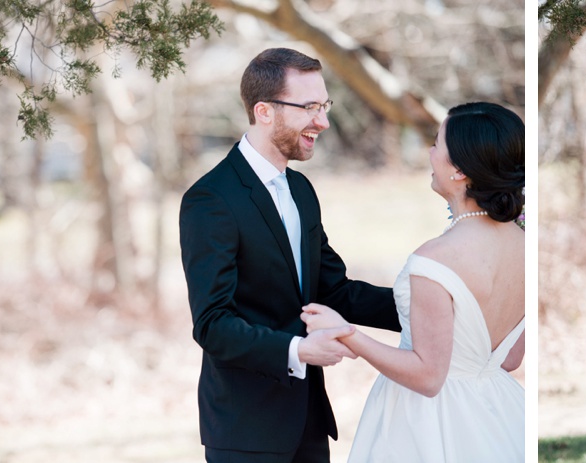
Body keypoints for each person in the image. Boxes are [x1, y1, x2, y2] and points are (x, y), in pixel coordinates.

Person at [178, 48, 402, 463]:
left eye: (325, 105)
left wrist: (425, 303)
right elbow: (212, 324)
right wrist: (297, 351)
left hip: (309, 424)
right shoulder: (210, 200)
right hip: (246, 430)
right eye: (310, 107)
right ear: (264, 111)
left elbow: (334, 291)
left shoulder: (301, 191)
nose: (324, 121)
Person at [301, 102, 526, 462]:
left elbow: (427, 378)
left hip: (426, 425)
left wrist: (347, 334)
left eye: (437, 143)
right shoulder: (524, 243)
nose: (430, 152)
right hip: (497, 417)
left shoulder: (435, 258)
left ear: (460, 171)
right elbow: (510, 358)